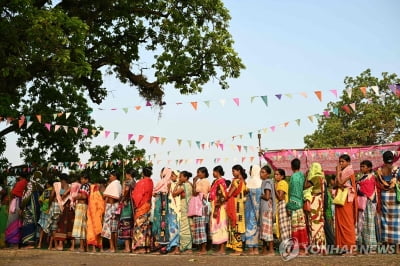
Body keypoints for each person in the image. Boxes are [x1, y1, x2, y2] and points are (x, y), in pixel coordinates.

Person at [376, 151, 400, 253]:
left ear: (383, 159)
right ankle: (397, 247)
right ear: (393, 158)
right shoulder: (397, 169)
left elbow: (379, 184)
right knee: (397, 221)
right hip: (395, 196)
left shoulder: (380, 170)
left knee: (385, 220)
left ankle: (387, 246)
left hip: (385, 196)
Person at [335, 154, 357, 255]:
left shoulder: (349, 170)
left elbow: (339, 183)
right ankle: (343, 247)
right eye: (340, 161)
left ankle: (350, 246)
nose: (341, 163)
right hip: (341, 199)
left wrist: (338, 172)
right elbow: (335, 184)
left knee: (347, 223)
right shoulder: (343, 171)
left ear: (348, 162)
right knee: (340, 223)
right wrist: (338, 173)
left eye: (342, 161)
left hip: (347, 199)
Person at [286, 159, 309, 255]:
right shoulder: (301, 176)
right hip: (301, 204)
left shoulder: (293, 177)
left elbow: (291, 192)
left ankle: (297, 249)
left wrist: (289, 206)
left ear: (292, 166)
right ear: (299, 166)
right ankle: (303, 248)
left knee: (295, 228)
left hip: (294, 205)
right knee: (302, 227)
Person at [304, 162, 327, 254]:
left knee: (313, 224)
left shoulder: (315, 178)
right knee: (320, 224)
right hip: (320, 201)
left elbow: (305, 186)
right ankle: (322, 246)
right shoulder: (323, 178)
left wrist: (307, 176)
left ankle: (315, 247)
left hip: (314, 201)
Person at [132, 166, 154, 254]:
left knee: (139, 227)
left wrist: (136, 206)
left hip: (141, 207)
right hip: (148, 205)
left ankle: (139, 247)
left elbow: (137, 196)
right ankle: (147, 247)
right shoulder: (151, 182)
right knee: (147, 227)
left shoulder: (141, 182)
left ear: (143, 173)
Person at [357, 160, 377, 253]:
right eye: (361, 166)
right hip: (361, 202)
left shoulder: (371, 177)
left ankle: (371, 246)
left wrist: (361, 191)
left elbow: (369, 190)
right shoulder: (362, 177)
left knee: (369, 224)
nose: (361, 168)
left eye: (363, 166)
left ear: (369, 168)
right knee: (361, 224)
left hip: (368, 202)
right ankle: (363, 245)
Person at [226, 164, 247, 255]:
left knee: (235, 227)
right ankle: (238, 248)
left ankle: (237, 249)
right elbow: (246, 193)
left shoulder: (236, 181)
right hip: (241, 207)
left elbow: (229, 194)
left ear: (239, 171)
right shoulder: (244, 182)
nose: (233, 173)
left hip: (235, 207)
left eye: (234, 171)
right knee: (238, 227)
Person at [172, 170, 193, 254]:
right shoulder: (191, 185)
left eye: (180, 176)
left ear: (185, 177)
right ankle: (188, 247)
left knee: (184, 229)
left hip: (185, 208)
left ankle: (187, 248)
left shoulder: (183, 186)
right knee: (188, 227)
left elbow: (174, 194)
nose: (179, 178)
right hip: (189, 207)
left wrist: (177, 184)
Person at [209, 166, 228, 255]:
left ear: (217, 172)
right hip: (215, 206)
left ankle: (222, 249)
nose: (213, 173)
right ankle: (219, 248)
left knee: (221, 227)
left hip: (219, 207)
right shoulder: (216, 181)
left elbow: (221, 196)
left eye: (214, 171)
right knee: (217, 227)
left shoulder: (220, 182)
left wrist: (217, 209)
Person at [191, 167, 211, 255]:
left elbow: (195, 193)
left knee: (201, 227)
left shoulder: (204, 181)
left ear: (203, 173)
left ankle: (203, 248)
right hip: (199, 205)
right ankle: (201, 247)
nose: (197, 174)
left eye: (199, 172)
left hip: (201, 205)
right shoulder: (201, 181)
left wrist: (194, 182)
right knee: (198, 227)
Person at [5, 173, 28, 247]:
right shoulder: (27, 183)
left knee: (12, 222)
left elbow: (12, 193)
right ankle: (18, 242)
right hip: (24, 204)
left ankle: (13, 242)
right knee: (20, 223)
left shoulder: (20, 183)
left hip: (16, 203)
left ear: (21, 177)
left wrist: (9, 204)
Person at [101, 171, 122, 253]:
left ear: (114, 176)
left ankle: (112, 247)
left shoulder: (113, 184)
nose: (109, 177)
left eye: (110, 176)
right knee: (114, 229)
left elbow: (105, 195)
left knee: (109, 228)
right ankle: (114, 247)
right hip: (115, 207)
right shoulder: (119, 185)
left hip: (111, 207)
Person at [152, 167, 172, 253]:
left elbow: (154, 193)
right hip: (166, 207)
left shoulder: (161, 182)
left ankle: (161, 245)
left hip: (160, 206)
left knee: (159, 224)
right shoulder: (170, 183)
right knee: (164, 224)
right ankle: (164, 245)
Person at [53, 174, 75, 251]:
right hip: (70, 208)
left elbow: (63, 194)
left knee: (62, 226)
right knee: (70, 226)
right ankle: (72, 246)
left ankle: (60, 245)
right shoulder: (69, 186)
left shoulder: (64, 186)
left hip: (66, 207)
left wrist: (62, 196)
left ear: (62, 180)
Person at [118, 169, 137, 253]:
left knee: (126, 225)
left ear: (128, 174)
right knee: (131, 226)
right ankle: (131, 247)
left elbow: (125, 191)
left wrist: (123, 198)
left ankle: (127, 247)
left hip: (127, 205)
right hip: (133, 206)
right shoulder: (135, 182)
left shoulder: (128, 182)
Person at [245, 165, 262, 255]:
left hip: (250, 209)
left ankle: (251, 249)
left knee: (250, 227)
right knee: (256, 228)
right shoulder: (261, 182)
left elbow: (247, 193)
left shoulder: (251, 181)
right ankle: (256, 249)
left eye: (250, 170)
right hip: (259, 209)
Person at [71, 173, 91, 252]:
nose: (81, 180)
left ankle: (82, 247)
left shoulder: (85, 186)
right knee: (82, 226)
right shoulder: (86, 186)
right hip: (83, 206)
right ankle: (83, 246)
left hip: (81, 206)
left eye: (83, 179)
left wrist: (76, 196)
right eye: (81, 179)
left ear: (87, 180)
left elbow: (84, 196)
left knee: (81, 226)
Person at [259, 165, 275, 256]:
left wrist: (260, 195)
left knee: (267, 230)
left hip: (266, 209)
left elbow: (267, 196)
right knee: (264, 229)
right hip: (265, 209)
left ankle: (271, 249)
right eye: (261, 172)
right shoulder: (264, 182)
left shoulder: (267, 183)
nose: (261, 174)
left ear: (268, 174)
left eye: (263, 172)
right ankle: (264, 250)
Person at [87, 182, 105, 252]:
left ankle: (101, 248)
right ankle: (94, 248)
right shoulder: (91, 192)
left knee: (99, 231)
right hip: (91, 216)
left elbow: (101, 204)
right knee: (92, 232)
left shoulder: (99, 194)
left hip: (98, 215)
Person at [274, 169, 291, 243]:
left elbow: (280, 197)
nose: (275, 176)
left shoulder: (282, 183)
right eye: (275, 174)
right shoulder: (279, 183)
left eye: (277, 174)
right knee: (283, 226)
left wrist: (274, 188)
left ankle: (286, 246)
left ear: (282, 176)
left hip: (282, 206)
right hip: (280, 206)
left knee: (284, 227)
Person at [167, 170, 180, 254]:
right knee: (171, 228)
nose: (171, 176)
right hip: (171, 208)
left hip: (177, 208)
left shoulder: (179, 185)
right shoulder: (170, 184)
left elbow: (175, 195)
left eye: (173, 175)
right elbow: (168, 195)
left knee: (177, 228)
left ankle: (177, 248)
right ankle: (172, 246)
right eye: (171, 175)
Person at [37, 180, 53, 248]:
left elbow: (39, 200)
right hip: (51, 210)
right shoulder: (54, 190)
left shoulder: (46, 191)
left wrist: (42, 206)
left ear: (48, 184)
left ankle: (39, 244)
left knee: (42, 227)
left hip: (44, 210)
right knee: (51, 227)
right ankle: (49, 245)